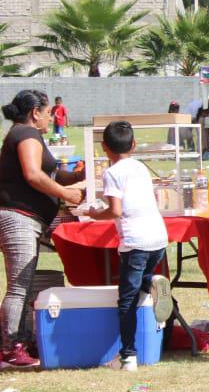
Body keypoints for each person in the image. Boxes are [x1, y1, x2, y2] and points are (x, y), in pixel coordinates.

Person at [0, 90, 84, 369]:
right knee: (19, 286)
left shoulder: (26, 134)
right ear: (35, 113)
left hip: (27, 218)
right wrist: (65, 193)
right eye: (48, 113)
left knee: (23, 285)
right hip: (19, 218)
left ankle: (20, 341)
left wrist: (77, 176)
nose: (50, 118)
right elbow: (33, 174)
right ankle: (10, 348)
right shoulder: (26, 134)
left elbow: (50, 173)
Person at [84, 121, 171, 372]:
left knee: (127, 301)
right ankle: (153, 282)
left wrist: (94, 214)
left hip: (135, 241)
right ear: (133, 145)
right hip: (157, 237)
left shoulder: (112, 173)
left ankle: (128, 356)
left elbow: (115, 210)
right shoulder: (140, 167)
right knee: (141, 282)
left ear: (104, 147)